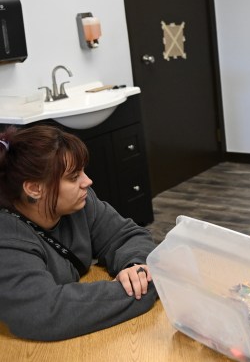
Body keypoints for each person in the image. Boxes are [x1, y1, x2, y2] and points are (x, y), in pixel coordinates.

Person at [0, 125, 157, 341]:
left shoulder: (80, 203)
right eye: (74, 177)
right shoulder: (7, 237)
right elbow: (44, 312)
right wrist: (142, 287)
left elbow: (127, 235)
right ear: (34, 189)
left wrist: (135, 267)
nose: (87, 182)